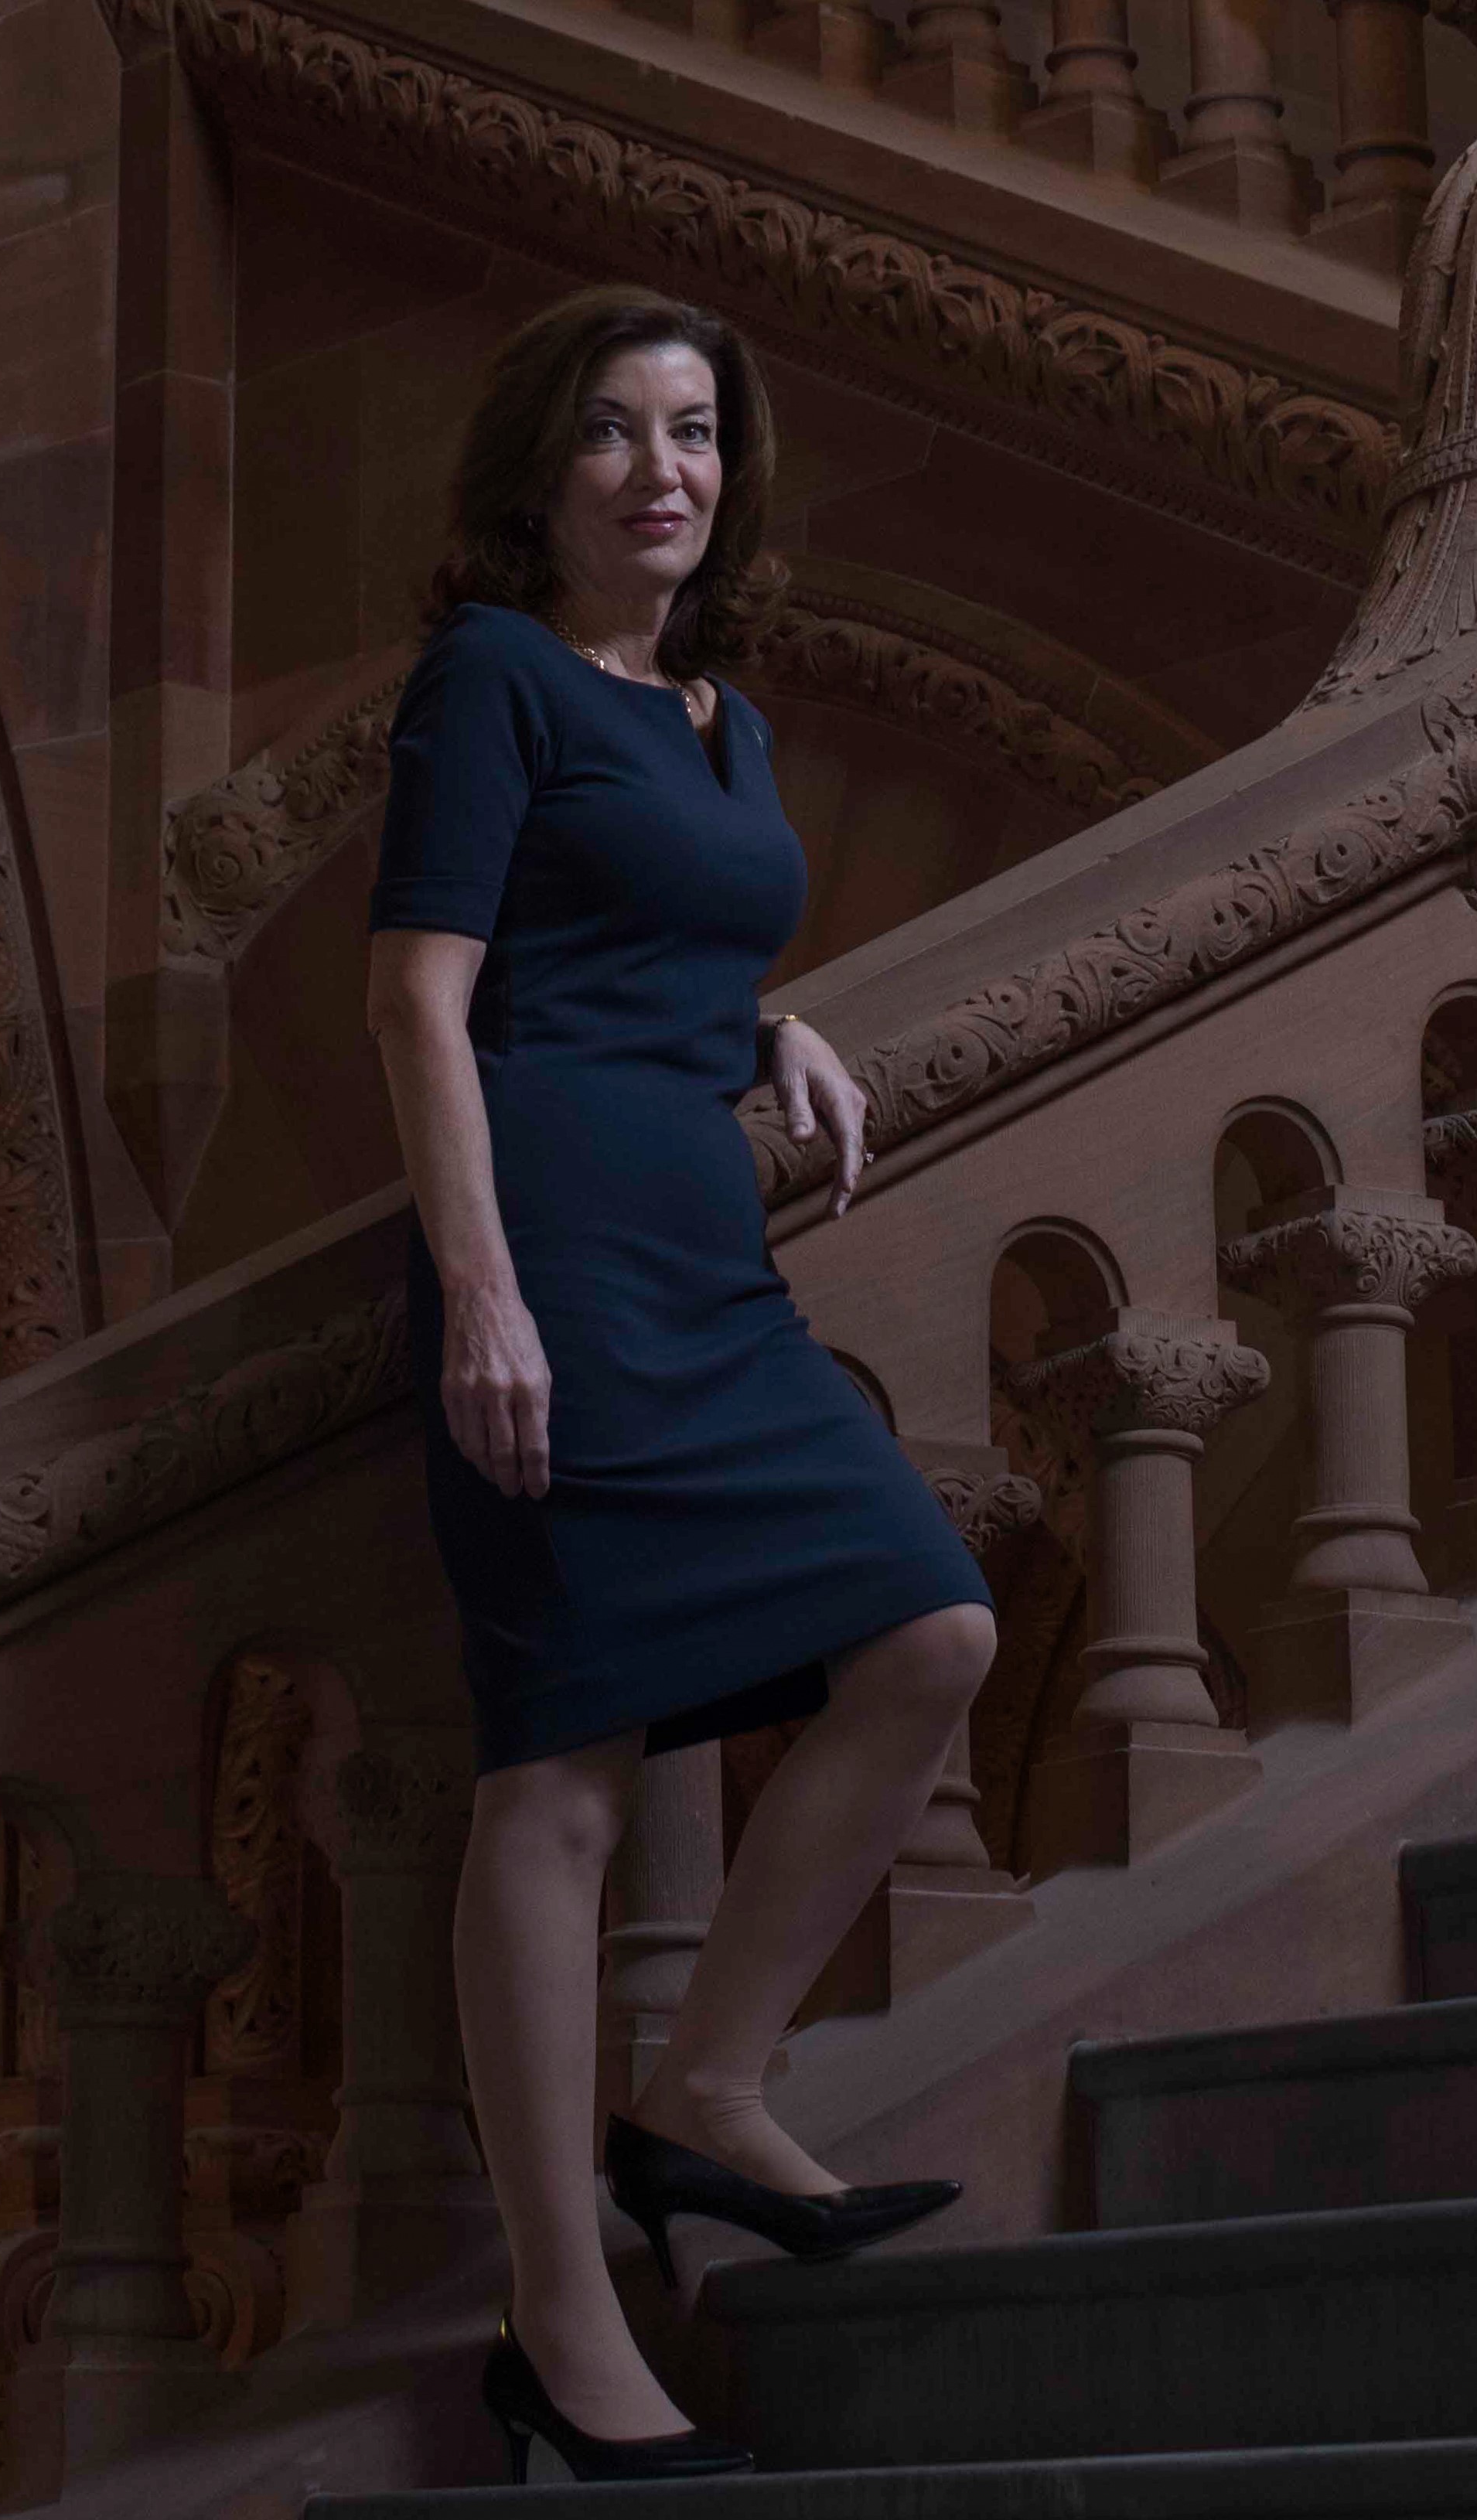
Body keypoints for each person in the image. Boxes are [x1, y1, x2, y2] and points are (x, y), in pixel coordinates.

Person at [361, 284, 1001, 2486]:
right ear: (541, 476)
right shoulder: (493, 680)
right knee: (559, 1766)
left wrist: (764, 1017)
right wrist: (481, 1295)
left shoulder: (715, 718)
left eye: (700, 431)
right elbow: (425, 1005)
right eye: (619, 432)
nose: (665, 468)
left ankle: (706, 2088)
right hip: (552, 1251)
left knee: (931, 1628)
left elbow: (647, 924)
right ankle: (560, 2302)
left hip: (704, 1268)